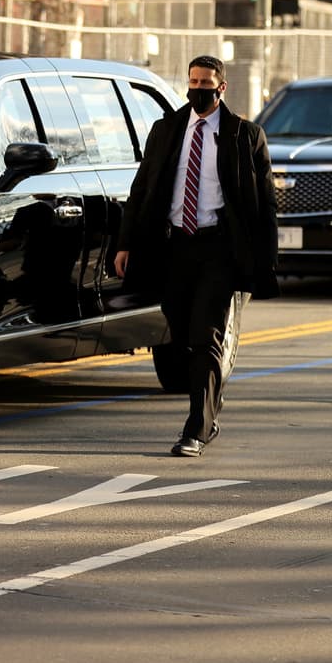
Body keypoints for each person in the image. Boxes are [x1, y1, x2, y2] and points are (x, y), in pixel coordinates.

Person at [114, 54, 279, 457]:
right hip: (173, 247)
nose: (198, 90)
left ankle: (197, 429)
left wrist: (265, 259)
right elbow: (142, 189)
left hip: (217, 248)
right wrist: (126, 243)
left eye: (206, 83)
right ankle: (209, 409)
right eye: (193, 82)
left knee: (207, 337)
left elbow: (265, 204)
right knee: (183, 335)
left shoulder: (245, 135)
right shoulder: (166, 130)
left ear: (221, 88)